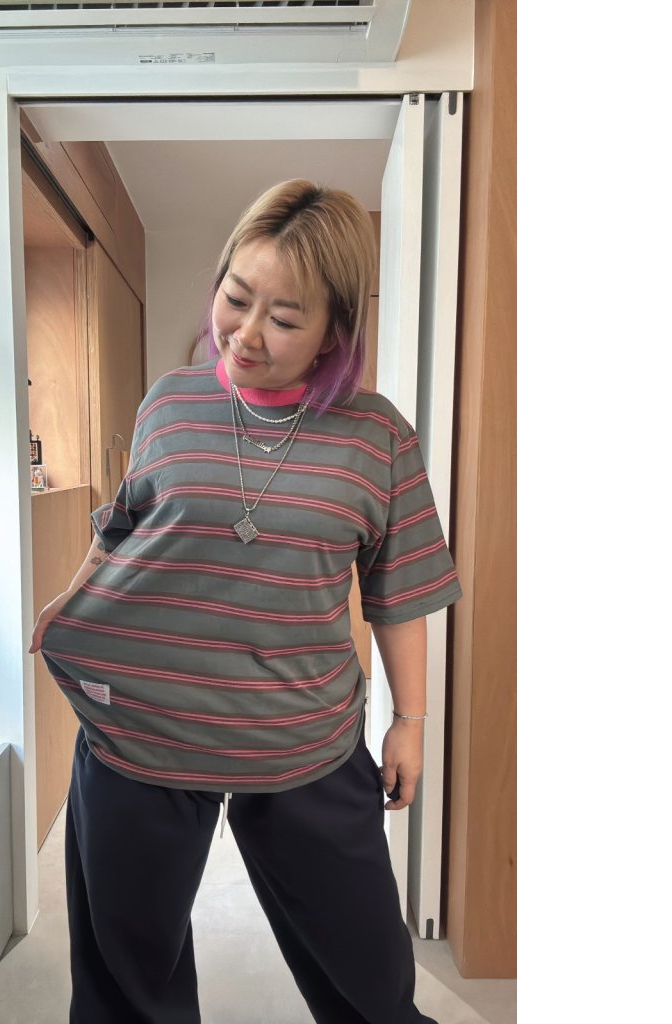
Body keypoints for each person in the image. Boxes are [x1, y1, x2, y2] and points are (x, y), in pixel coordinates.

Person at [29, 179, 461, 1024]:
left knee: (373, 985)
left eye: (285, 318)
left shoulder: (378, 436)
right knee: (124, 992)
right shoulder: (169, 402)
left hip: (305, 736)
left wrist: (410, 722)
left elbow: (399, 589)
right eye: (236, 297)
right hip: (143, 727)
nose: (246, 334)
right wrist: (73, 599)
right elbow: (125, 528)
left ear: (336, 331)